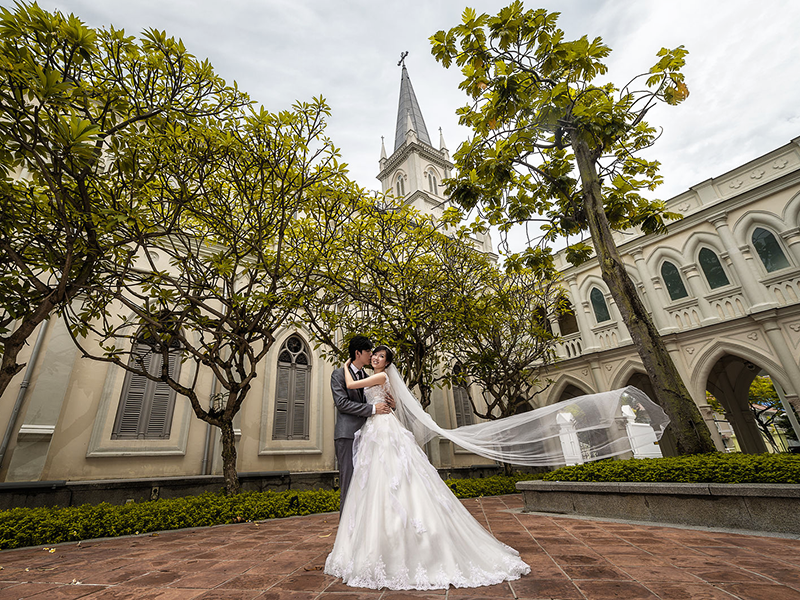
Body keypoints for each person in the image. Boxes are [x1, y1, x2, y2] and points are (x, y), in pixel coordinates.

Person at [324, 345, 531, 590]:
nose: (375, 357)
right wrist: (379, 398)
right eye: (373, 354)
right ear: (362, 353)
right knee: (368, 482)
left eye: (380, 356)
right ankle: (356, 540)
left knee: (393, 476)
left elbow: (357, 389)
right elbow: (359, 398)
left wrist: (351, 369)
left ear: (387, 363)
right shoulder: (369, 376)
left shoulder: (376, 375)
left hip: (382, 428)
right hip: (370, 431)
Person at [330, 335, 392, 506]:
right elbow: (342, 403)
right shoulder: (339, 374)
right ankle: (346, 530)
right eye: (369, 352)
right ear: (358, 353)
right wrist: (373, 409)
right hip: (348, 435)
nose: (372, 355)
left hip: (368, 436)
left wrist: (388, 404)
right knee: (349, 483)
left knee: (364, 485)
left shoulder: (367, 376)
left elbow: (378, 399)